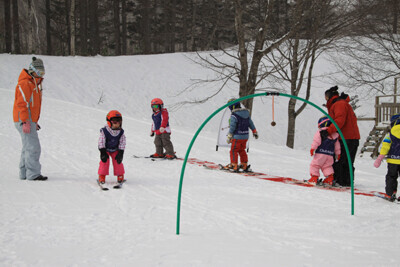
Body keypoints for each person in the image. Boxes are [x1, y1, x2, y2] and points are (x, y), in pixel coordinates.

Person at [13, 57, 47, 181]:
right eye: (39, 73)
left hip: (28, 120)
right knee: (33, 147)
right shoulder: (25, 84)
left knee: (27, 146)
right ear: (32, 71)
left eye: (43, 73)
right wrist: (25, 121)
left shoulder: (33, 84)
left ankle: (24, 173)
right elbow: (22, 104)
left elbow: (33, 106)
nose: (41, 76)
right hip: (23, 120)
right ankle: (33, 174)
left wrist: (34, 122)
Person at [321, 86, 360, 186]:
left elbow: (339, 120)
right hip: (349, 137)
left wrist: (329, 130)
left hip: (346, 138)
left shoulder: (339, 104)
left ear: (329, 96)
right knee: (346, 161)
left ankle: (341, 181)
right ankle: (345, 182)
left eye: (325, 98)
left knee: (341, 160)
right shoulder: (339, 104)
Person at [223, 99, 258, 172]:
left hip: (237, 136)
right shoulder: (246, 114)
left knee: (233, 150)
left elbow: (232, 126)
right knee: (241, 150)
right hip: (245, 136)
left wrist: (229, 136)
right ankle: (244, 164)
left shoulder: (234, 115)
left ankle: (234, 164)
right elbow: (250, 123)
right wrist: (254, 131)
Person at [373, 113, 400, 201]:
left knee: (391, 177)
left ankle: (390, 194)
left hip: (393, 160)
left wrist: (380, 158)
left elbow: (385, 146)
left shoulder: (390, 134)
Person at [308, 116, 341, 185]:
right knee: (327, 166)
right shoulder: (335, 134)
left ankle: (314, 177)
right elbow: (337, 146)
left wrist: (313, 149)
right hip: (330, 155)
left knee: (315, 165)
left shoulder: (320, 132)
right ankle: (329, 179)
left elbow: (316, 141)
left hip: (320, 153)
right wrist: (338, 153)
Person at [98, 110, 126, 184]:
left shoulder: (121, 132)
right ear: (109, 122)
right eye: (114, 122)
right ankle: (102, 176)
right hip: (106, 149)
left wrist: (121, 152)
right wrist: (102, 152)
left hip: (115, 150)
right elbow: (101, 141)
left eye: (119, 122)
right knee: (104, 162)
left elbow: (122, 142)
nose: (117, 124)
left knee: (118, 161)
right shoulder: (105, 131)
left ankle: (120, 175)